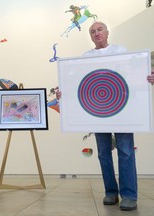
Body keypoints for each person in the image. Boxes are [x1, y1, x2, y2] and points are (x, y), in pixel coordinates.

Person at [57, 21, 154, 211]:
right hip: (98, 111)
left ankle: (128, 195)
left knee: (126, 152)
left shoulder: (121, 50)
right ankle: (110, 192)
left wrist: (148, 77)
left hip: (122, 109)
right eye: (92, 31)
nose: (96, 33)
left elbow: (134, 73)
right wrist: (63, 92)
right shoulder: (87, 57)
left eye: (99, 29)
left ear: (107, 32)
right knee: (103, 153)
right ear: (90, 36)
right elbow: (77, 82)